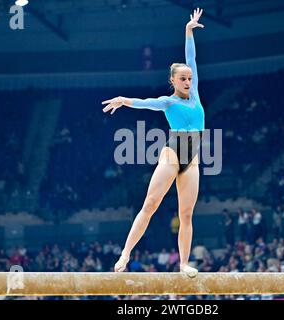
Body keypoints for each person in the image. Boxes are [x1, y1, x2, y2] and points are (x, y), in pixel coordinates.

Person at [102, 8, 205, 277]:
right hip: (172, 155)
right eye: (182, 78)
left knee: (186, 214)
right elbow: (147, 104)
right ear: (172, 80)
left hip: (191, 160)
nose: (187, 81)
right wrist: (125, 100)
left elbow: (191, 58)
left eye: (189, 78)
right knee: (150, 204)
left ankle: (183, 264)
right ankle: (125, 254)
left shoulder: (195, 93)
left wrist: (188, 30)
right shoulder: (168, 101)